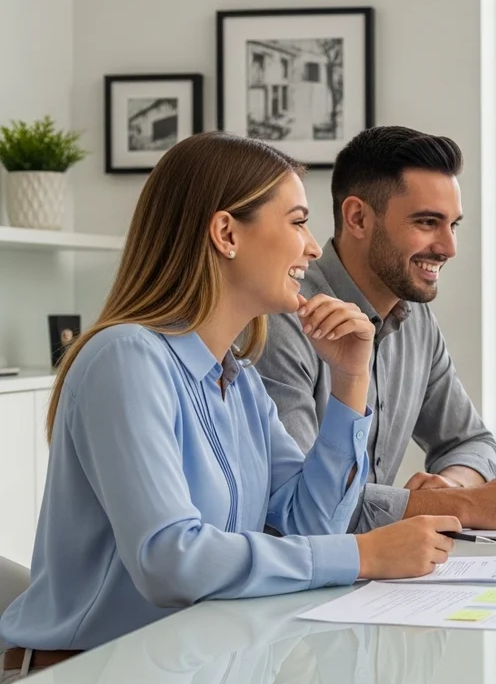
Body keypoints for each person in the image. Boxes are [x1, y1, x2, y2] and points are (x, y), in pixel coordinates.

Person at [0, 132, 459, 682]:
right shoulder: (127, 358)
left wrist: (349, 379)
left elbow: (309, 524)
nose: (313, 248)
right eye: (297, 222)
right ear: (226, 234)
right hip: (88, 673)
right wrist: (364, 555)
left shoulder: (239, 382)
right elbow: (171, 560)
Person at [256, 126, 496, 533]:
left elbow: (470, 441)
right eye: (428, 222)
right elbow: (307, 504)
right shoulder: (284, 319)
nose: (448, 247)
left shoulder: (415, 319)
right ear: (358, 218)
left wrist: (452, 486)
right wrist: (464, 504)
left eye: (453, 225)